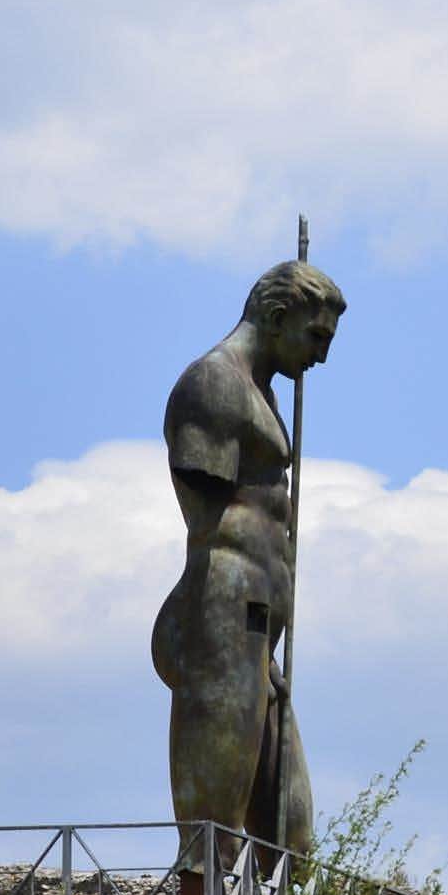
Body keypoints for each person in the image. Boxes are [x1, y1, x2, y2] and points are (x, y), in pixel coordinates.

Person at [151, 258, 345, 862]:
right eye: (316, 337)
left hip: (255, 625)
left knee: (291, 829)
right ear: (278, 316)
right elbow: (207, 516)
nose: (321, 358)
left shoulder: (256, 391)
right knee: (215, 832)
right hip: (225, 610)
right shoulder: (215, 382)